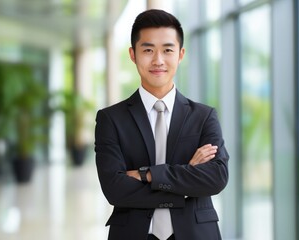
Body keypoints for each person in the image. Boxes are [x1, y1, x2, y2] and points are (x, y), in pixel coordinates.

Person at [95, 9, 229, 240]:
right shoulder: (111, 119)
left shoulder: (204, 116)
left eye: (167, 50)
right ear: (133, 54)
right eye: (148, 50)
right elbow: (114, 189)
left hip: (196, 234)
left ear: (180, 54)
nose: (158, 60)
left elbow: (216, 177)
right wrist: (185, 183)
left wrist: (146, 174)